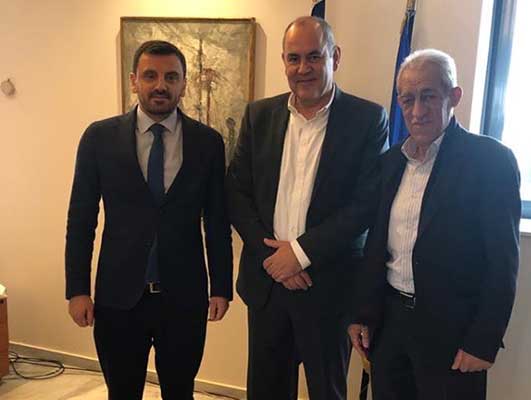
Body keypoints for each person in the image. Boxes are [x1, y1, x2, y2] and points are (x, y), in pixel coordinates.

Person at [226, 16, 388, 400]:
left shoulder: (367, 119)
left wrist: (299, 254)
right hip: (267, 287)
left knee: (327, 392)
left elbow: (365, 204)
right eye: (294, 58)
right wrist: (275, 260)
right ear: (283, 61)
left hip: (328, 288)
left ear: (335, 57)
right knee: (265, 392)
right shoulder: (258, 116)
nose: (303, 68)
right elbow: (236, 192)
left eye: (314, 56)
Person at [348, 49, 521, 400]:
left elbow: (503, 262)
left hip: (453, 332)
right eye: (407, 99)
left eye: (428, 96)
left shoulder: (490, 161)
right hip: (391, 325)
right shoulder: (391, 162)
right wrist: (362, 313)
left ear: (453, 96)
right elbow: (377, 245)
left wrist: (483, 341)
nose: (417, 111)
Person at [65, 40, 233, 400]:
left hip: (184, 298)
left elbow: (217, 221)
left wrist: (221, 286)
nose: (161, 85)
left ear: (183, 83)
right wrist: (77, 289)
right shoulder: (99, 138)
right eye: (150, 76)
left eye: (171, 77)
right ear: (133, 81)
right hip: (118, 298)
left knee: (180, 392)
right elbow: (81, 219)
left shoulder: (208, 143)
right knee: (122, 392)